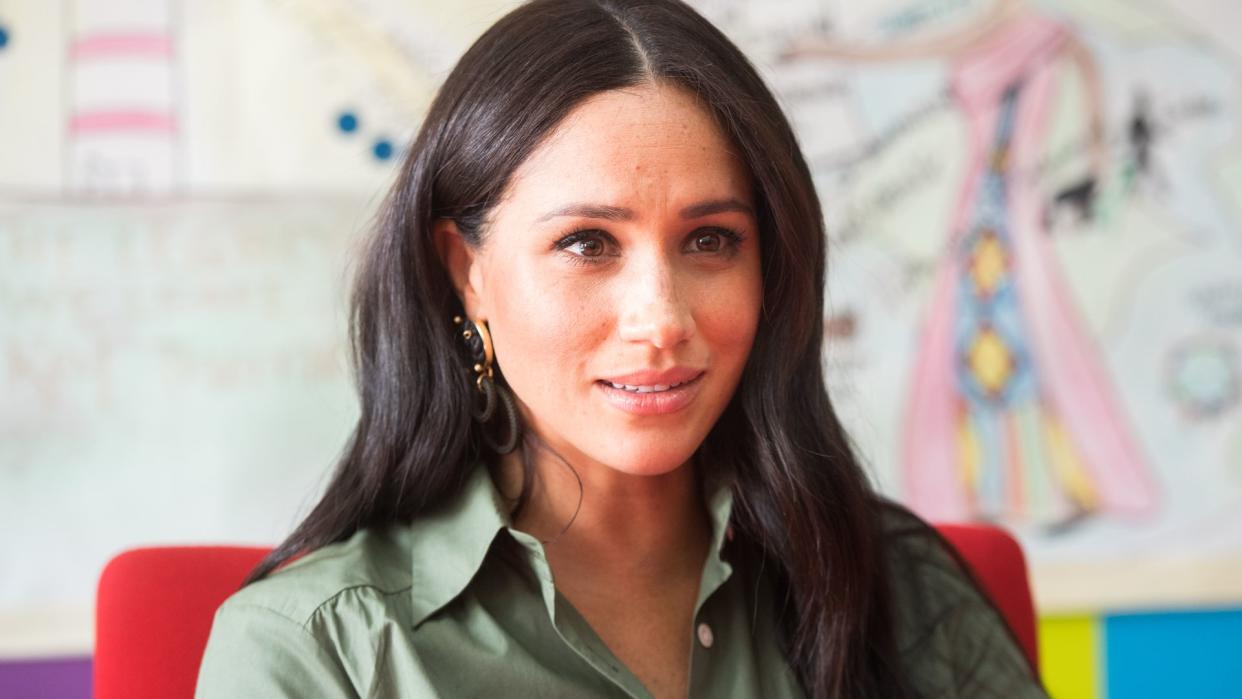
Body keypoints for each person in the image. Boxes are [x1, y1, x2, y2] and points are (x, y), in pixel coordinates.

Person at [195, 1, 1046, 697]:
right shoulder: (314, 651)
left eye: (711, 240)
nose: (662, 319)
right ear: (467, 275)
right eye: (587, 243)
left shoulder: (897, 588)